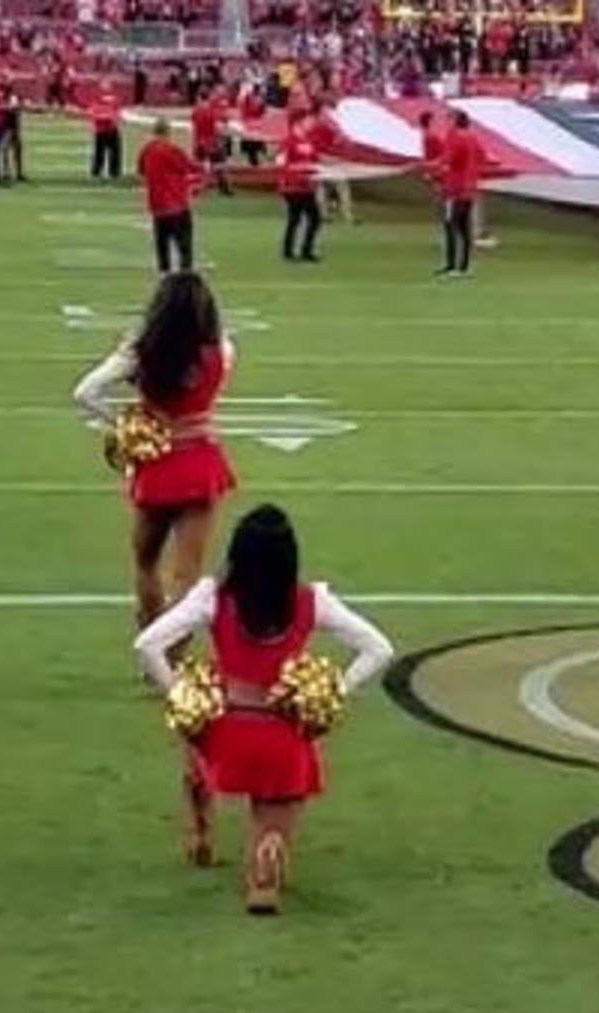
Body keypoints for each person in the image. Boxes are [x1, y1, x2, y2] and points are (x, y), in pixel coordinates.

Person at [133, 505, 394, 914]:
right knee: (274, 812)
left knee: (196, 739)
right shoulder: (312, 601)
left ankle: (200, 826)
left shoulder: (212, 598)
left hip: (223, 733)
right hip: (283, 737)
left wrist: (177, 692)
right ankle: (264, 866)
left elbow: (147, 645)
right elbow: (380, 649)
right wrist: (334, 691)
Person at [72, 271, 236, 636]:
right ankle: (171, 659)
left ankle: (150, 641)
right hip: (201, 462)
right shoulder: (222, 349)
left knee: (146, 562)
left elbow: (84, 393)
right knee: (188, 575)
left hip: (157, 464)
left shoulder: (141, 351)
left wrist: (125, 424)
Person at [137, 117, 199, 274]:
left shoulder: (147, 150)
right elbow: (189, 167)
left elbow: (141, 171)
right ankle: (185, 278)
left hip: (157, 206)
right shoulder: (172, 150)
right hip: (176, 204)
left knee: (162, 246)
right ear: (168, 132)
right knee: (184, 246)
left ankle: (164, 278)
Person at [437, 111, 482, 279]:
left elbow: (447, 161)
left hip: (455, 189)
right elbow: (481, 157)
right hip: (469, 188)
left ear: (455, 122)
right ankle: (465, 267)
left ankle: (451, 267)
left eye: (449, 119)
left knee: (450, 226)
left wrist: (437, 169)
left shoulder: (454, 137)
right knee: (464, 228)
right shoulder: (473, 138)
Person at [278, 115, 323, 263]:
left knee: (314, 218)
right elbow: (281, 162)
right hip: (293, 186)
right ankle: (289, 251)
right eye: (309, 121)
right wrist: (296, 172)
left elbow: (315, 160)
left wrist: (315, 173)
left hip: (308, 187)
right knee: (295, 218)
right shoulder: (288, 141)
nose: (312, 124)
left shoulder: (310, 141)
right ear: (299, 122)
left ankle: (305, 250)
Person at [190, 87, 230, 196]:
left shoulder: (196, 110)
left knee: (200, 165)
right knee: (219, 164)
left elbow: (194, 126)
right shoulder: (212, 110)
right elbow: (217, 127)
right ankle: (223, 188)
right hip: (212, 141)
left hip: (200, 141)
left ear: (199, 97)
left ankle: (198, 187)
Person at [88, 78, 121, 181]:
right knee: (99, 152)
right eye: (104, 85)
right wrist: (106, 116)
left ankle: (114, 173)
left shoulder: (115, 99)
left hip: (111, 128)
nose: (106, 87)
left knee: (115, 151)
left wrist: (112, 117)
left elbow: (117, 112)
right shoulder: (97, 98)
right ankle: (97, 172)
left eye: (107, 85)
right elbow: (93, 112)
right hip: (101, 129)